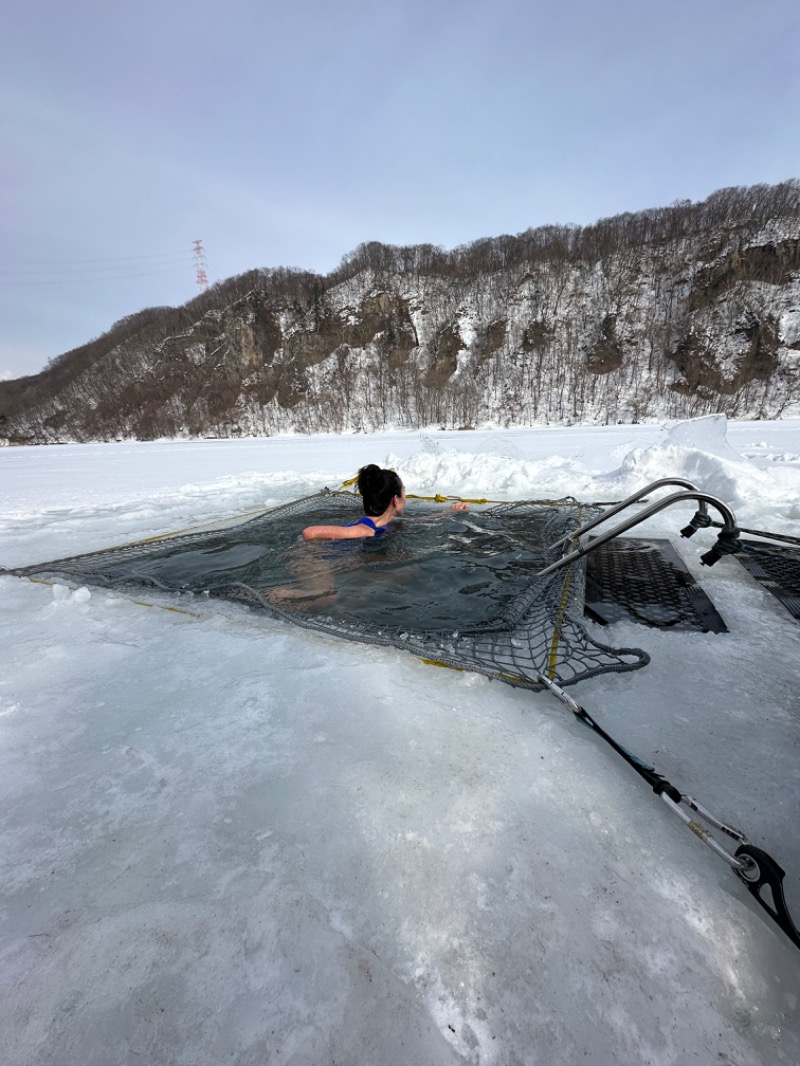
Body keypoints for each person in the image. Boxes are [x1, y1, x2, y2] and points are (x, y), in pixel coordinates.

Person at [301, 464, 467, 541]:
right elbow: (310, 532)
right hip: (313, 560)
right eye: (404, 492)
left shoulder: (385, 524)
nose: (406, 497)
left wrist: (449, 512)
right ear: (395, 500)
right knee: (328, 598)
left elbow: (415, 522)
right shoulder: (366, 529)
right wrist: (364, 533)